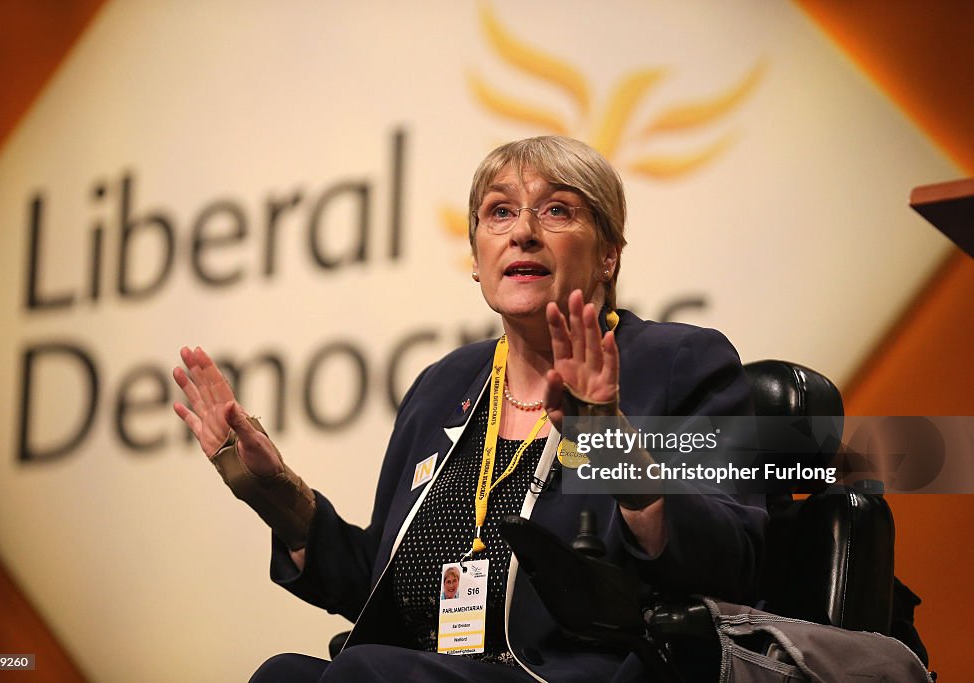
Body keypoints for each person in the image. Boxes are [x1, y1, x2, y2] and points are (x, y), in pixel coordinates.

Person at [173, 136, 764, 682]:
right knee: (285, 675)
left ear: (608, 254)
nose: (523, 233)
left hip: (574, 673)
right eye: (500, 212)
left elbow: (731, 559)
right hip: (433, 671)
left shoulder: (677, 363)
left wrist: (610, 440)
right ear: (477, 258)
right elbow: (383, 590)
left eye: (557, 210)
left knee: (368, 675)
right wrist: (278, 496)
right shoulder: (444, 385)